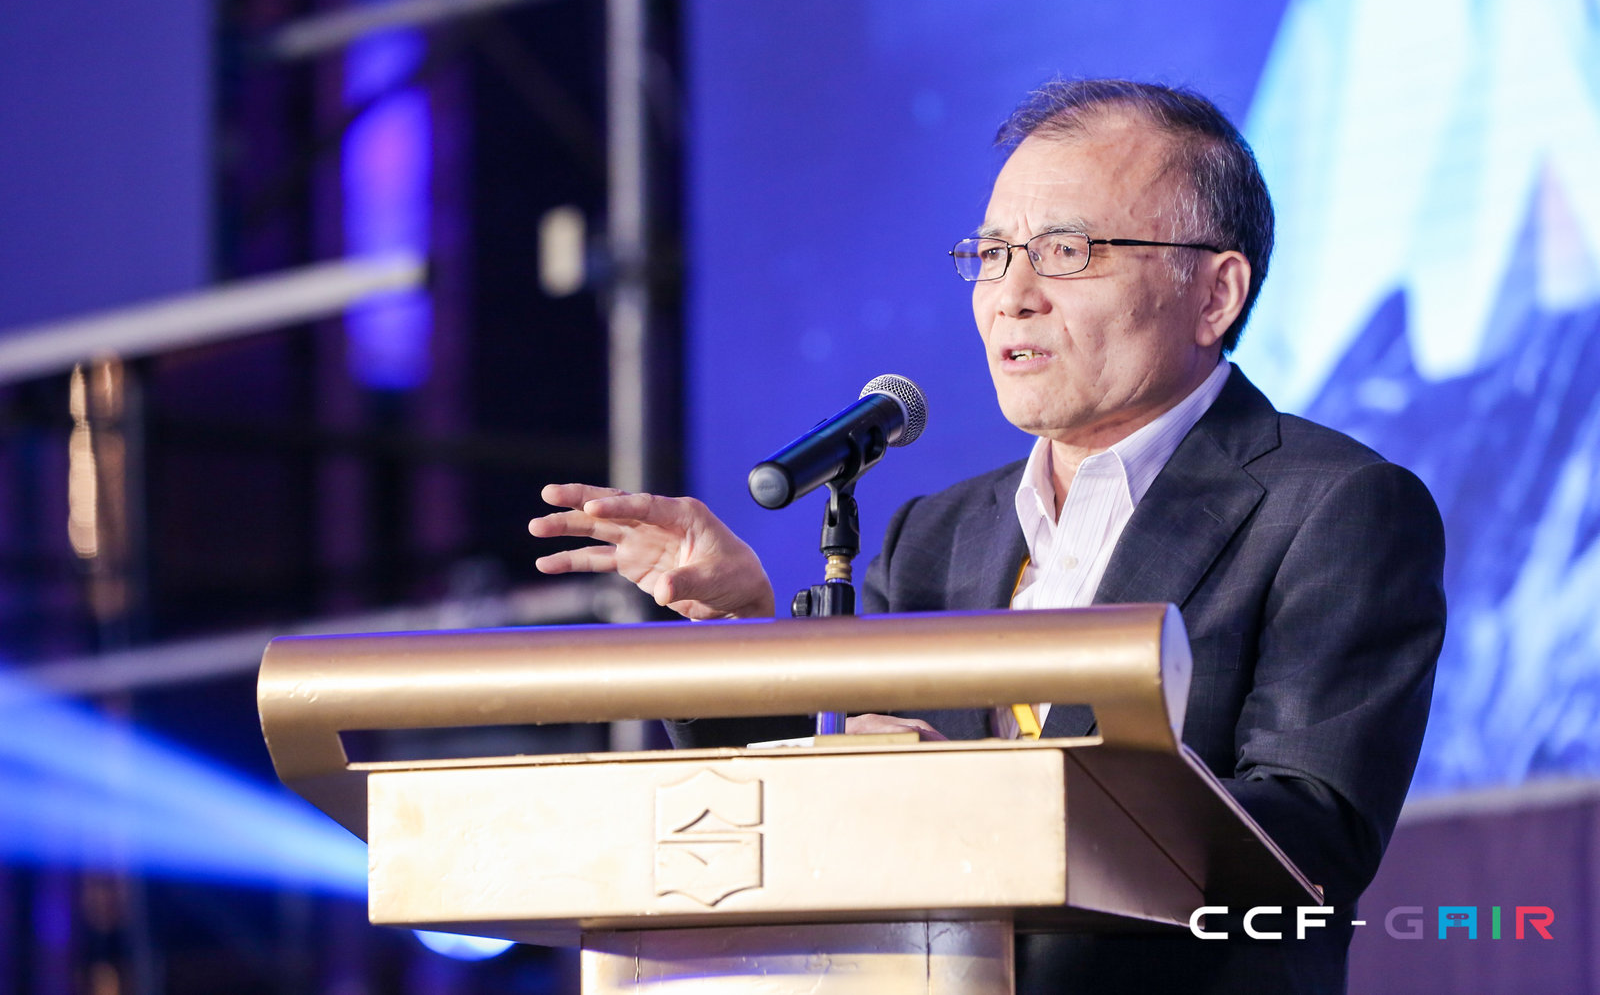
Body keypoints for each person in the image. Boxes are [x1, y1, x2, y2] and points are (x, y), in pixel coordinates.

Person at [528, 79, 1446, 994]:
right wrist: (742, 639)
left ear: (1214, 294)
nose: (1012, 295)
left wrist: (980, 794)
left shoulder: (1337, 507)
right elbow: (818, 822)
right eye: (994, 253)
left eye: (1066, 252)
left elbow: (1305, 851)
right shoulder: (936, 535)